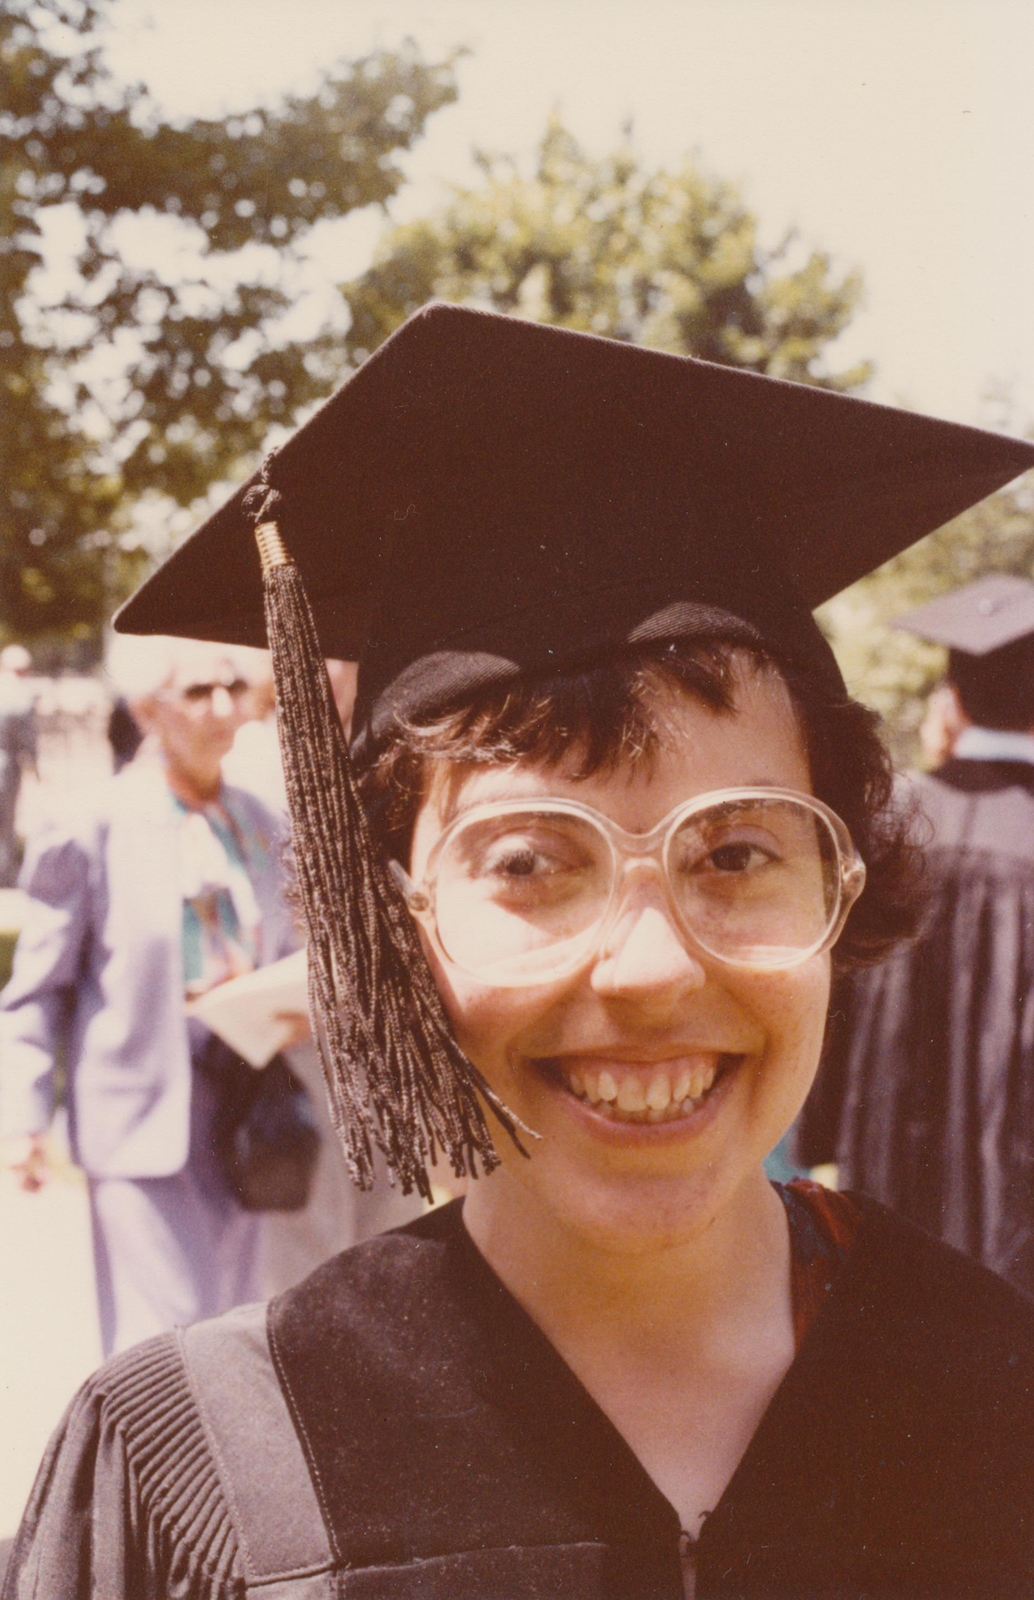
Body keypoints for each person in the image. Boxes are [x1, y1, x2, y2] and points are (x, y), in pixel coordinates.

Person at [5, 306, 1034, 1600]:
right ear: (391, 917)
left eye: (733, 855)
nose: (651, 970)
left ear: (841, 879)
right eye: (530, 863)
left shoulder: (996, 1397)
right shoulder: (199, 1471)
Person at [0, 637, 300, 1356]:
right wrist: (23, 1117)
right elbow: (37, 990)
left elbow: (286, 949)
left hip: (246, 1111)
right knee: (167, 1344)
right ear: (147, 710)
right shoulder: (92, 825)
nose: (223, 707)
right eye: (197, 692)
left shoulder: (261, 820)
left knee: (233, 1329)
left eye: (231, 685)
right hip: (139, 1119)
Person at [799, 572, 1034, 1295]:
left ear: (952, 699)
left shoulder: (890, 823)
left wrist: (821, 1136)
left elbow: (834, 987)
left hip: (888, 1150)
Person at [0, 643, 38, 888]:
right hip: (6, 767)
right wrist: (36, 767)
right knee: (6, 821)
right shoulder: (22, 695)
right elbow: (28, 739)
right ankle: (4, 873)